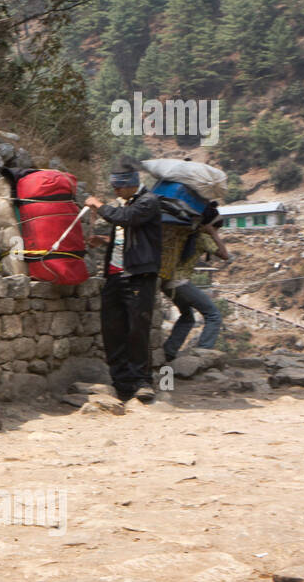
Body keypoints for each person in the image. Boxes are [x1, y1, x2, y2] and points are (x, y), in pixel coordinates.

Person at [85, 161, 163, 403]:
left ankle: (142, 382)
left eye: (120, 186)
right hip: (115, 275)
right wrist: (105, 240)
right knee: (113, 329)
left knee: (137, 330)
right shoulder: (128, 204)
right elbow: (128, 235)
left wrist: (98, 205)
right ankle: (121, 384)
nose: (116, 191)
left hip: (139, 276)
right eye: (114, 187)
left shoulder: (148, 202)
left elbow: (126, 218)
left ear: (133, 184)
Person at [162, 220, 230, 361]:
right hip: (180, 282)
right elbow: (224, 254)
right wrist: (213, 233)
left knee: (187, 317)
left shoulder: (184, 233)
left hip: (165, 281)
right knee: (213, 315)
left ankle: (168, 352)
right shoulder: (202, 237)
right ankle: (203, 352)